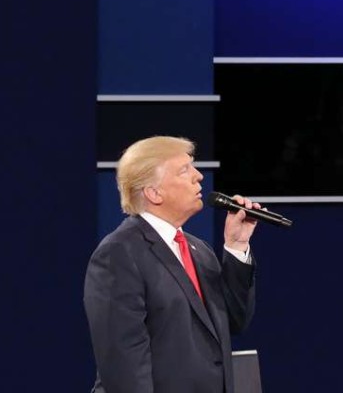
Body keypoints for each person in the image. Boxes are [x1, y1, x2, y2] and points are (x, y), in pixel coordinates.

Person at [84, 136, 263, 393]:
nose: (198, 176)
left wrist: (235, 246)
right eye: (184, 170)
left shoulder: (198, 250)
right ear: (154, 192)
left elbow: (235, 321)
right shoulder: (118, 255)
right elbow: (124, 364)